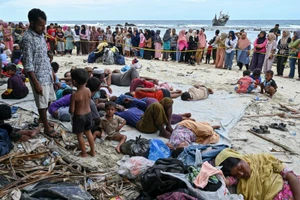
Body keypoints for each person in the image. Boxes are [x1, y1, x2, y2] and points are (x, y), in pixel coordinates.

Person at [21, 8, 58, 137]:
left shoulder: (41, 34)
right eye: (41, 25)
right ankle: (46, 128)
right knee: (42, 101)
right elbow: (27, 63)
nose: (43, 28)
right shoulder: (27, 39)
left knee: (48, 99)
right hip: (37, 75)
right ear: (31, 23)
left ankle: (43, 120)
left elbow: (43, 53)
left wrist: (51, 69)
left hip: (46, 71)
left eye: (44, 25)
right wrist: (35, 81)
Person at [216, 148, 300, 200]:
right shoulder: (239, 179)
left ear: (242, 158)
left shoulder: (263, 159)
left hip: (289, 188)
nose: (241, 173)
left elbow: (291, 176)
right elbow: (226, 181)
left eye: (240, 168)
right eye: (237, 174)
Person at [69, 68, 95, 157]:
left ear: (74, 81)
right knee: (88, 132)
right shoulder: (88, 90)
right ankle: (92, 151)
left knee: (80, 135)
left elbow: (72, 110)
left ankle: (84, 153)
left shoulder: (75, 95)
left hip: (79, 117)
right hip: (88, 114)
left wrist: (70, 112)